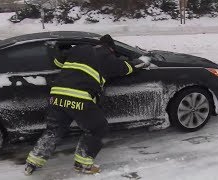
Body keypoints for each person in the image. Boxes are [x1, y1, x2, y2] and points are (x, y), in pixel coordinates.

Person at [24, 34, 150, 175]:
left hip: (57, 95)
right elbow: (128, 67)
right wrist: (143, 61)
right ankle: (83, 164)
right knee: (98, 128)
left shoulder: (79, 49)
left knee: (54, 130)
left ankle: (32, 162)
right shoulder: (108, 57)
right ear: (111, 49)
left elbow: (58, 62)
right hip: (79, 97)